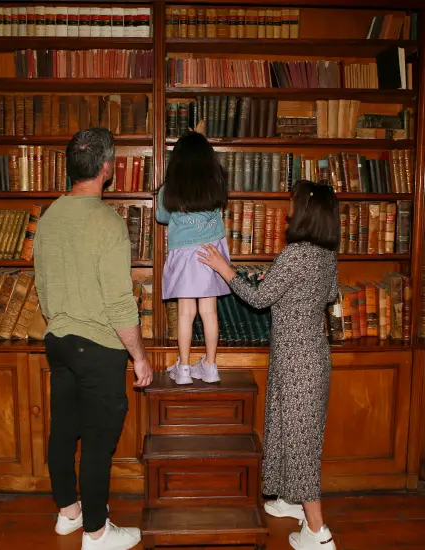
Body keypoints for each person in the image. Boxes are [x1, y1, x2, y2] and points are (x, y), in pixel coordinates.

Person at [198, 180, 339, 550]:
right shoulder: (326, 255)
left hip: (296, 361)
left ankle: (318, 532)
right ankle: (291, 501)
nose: (289, 211)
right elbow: (329, 294)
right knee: (288, 429)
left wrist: (224, 268)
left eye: (293, 205)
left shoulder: (296, 254)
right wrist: (278, 283)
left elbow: (259, 300)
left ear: (306, 212)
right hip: (312, 356)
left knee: (300, 442)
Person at [34, 128, 152, 550]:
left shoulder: (49, 216)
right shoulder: (108, 223)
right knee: (99, 444)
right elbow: (120, 302)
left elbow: (42, 285)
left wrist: (60, 318)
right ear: (107, 169)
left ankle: (69, 513)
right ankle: (97, 533)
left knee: (63, 431)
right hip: (98, 346)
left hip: (58, 340)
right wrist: (139, 356)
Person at [156, 122, 229, 385]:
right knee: (209, 311)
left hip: (184, 254)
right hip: (211, 253)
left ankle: (184, 368)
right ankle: (210, 365)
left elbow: (160, 216)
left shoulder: (171, 188)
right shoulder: (216, 183)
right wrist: (200, 137)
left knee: (186, 312)